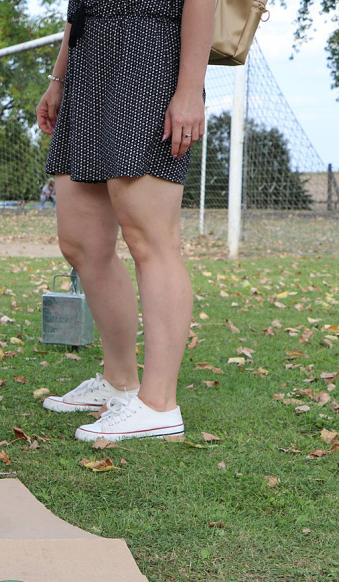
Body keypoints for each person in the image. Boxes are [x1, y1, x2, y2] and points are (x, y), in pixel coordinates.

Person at [35, 0, 211, 442]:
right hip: (88, 57)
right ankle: (119, 383)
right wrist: (59, 78)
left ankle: (159, 404)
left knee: (150, 238)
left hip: (148, 51)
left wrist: (190, 86)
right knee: (80, 241)